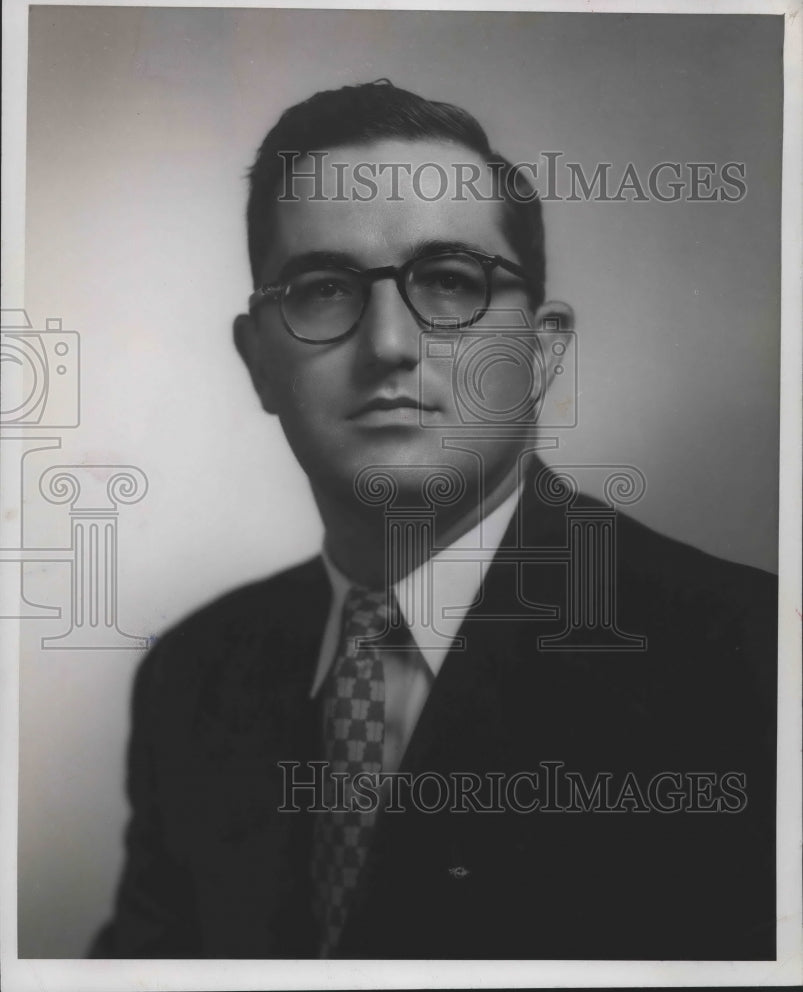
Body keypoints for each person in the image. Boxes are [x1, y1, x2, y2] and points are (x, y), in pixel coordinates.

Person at [90, 81, 776, 960]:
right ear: (258, 361)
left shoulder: (746, 664)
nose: (387, 343)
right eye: (323, 287)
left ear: (540, 350)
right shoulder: (192, 676)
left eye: (449, 281)